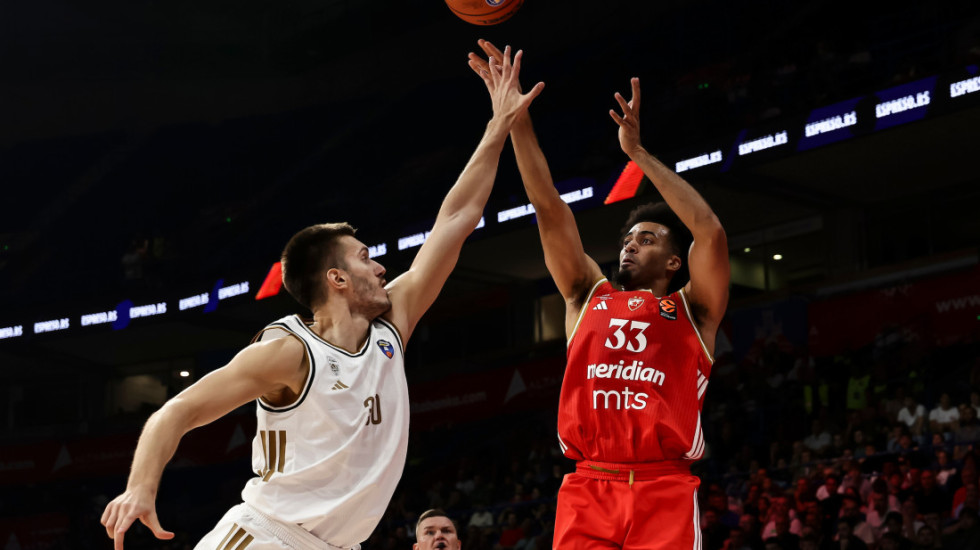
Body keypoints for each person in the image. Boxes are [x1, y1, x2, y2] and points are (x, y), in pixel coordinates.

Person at [99, 46, 544, 550]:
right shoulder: (288, 351)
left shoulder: (392, 324)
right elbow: (175, 411)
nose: (381, 268)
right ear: (337, 278)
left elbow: (457, 218)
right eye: (366, 258)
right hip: (267, 537)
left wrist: (499, 124)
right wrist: (140, 487)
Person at [469, 38, 730, 549]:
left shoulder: (693, 309)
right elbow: (548, 207)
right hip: (589, 485)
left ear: (675, 262)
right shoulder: (587, 295)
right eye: (628, 239)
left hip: (663, 486)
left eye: (647, 240)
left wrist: (638, 155)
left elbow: (710, 231)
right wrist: (517, 118)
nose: (630, 245)